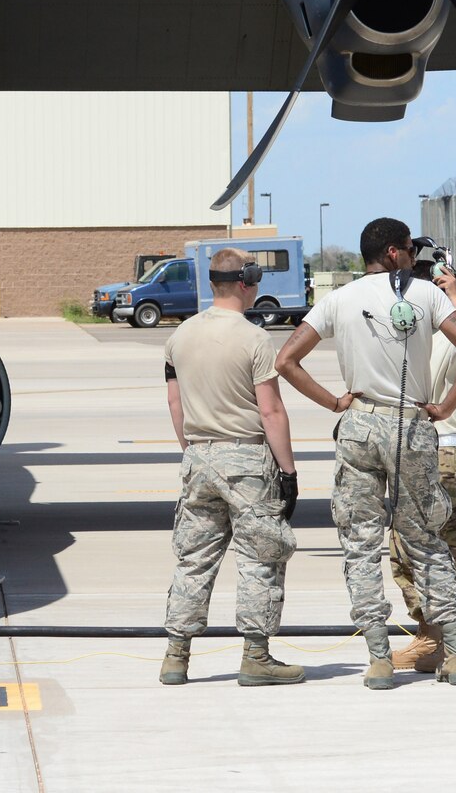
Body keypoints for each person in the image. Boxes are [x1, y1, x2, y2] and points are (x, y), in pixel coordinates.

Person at [275, 217, 456, 690]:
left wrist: (333, 401)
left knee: (361, 545)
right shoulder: (427, 296)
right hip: (412, 424)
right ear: (394, 252)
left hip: (360, 424)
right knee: (425, 538)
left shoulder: (337, 300)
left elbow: (285, 360)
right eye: (410, 249)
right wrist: (446, 405)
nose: (415, 258)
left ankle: (378, 658)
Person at [160, 247, 304, 687]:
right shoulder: (255, 338)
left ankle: (176, 656)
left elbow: (174, 400)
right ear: (246, 281)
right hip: (246, 460)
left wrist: (193, 450)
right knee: (261, 556)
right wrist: (289, 472)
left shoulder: (179, 336)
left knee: (194, 558)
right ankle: (256, 656)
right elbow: (272, 410)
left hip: (199, 457)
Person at [388, 237, 456, 675]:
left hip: (442, 447)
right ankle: (441, 637)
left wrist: (451, 299)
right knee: (417, 550)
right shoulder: (412, 324)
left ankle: (441, 638)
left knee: (441, 549)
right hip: (421, 446)